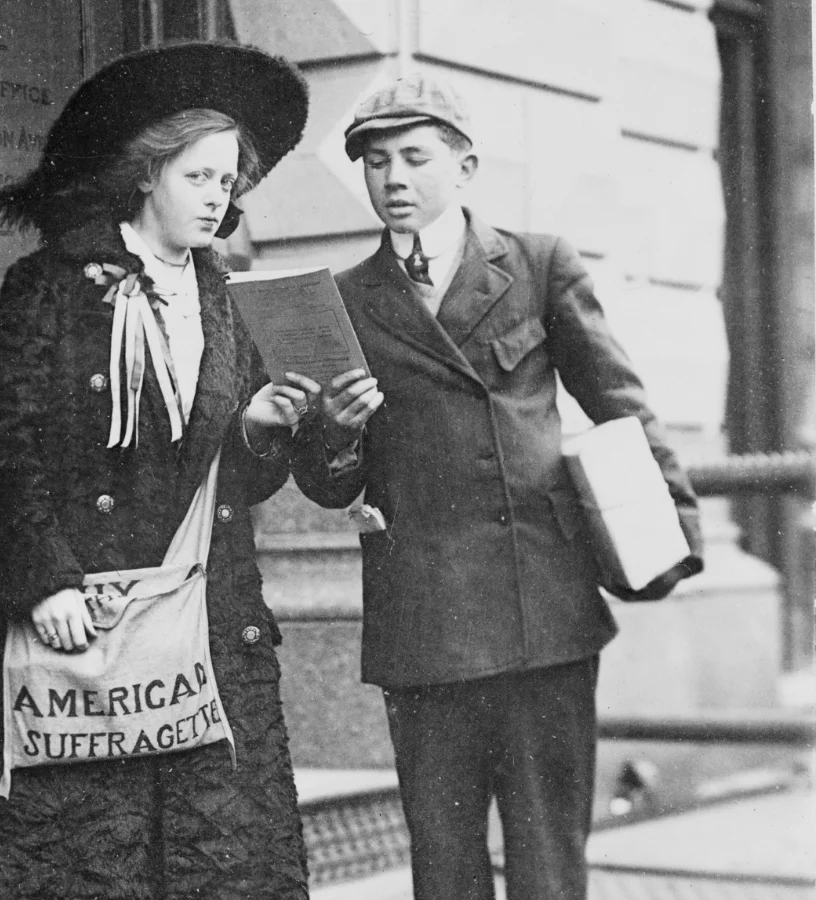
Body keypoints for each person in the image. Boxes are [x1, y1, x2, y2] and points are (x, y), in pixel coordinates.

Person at [289, 71, 705, 900]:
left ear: (465, 166)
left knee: (549, 858)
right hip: (423, 619)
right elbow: (329, 485)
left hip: (539, 606)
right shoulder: (342, 300)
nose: (394, 179)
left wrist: (675, 533)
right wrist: (332, 427)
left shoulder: (539, 265)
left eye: (415, 157)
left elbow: (620, 403)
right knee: (443, 864)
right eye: (375, 162)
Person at [0, 43, 313, 900]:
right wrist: (44, 582)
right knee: (82, 864)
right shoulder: (52, 286)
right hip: (83, 624)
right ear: (147, 173)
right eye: (198, 176)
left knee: (215, 863)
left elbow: (231, 482)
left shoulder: (229, 301)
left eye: (228, 181)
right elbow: (2, 446)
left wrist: (257, 430)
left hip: (201, 633)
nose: (217, 198)